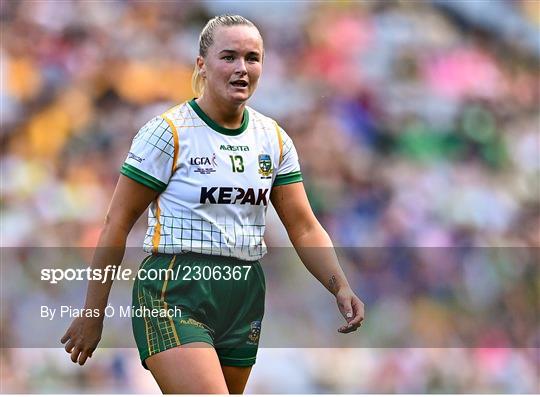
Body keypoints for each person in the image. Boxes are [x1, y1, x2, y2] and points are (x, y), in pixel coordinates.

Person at [61, 14, 364, 394]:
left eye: (252, 58)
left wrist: (339, 285)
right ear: (202, 66)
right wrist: (94, 312)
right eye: (229, 57)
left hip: (243, 293)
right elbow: (116, 223)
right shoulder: (168, 132)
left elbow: (303, 226)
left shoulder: (273, 139)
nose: (242, 68)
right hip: (175, 288)